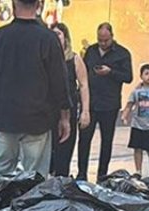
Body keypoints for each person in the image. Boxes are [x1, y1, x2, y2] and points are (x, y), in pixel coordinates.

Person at [0, 0, 71, 183]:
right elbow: (59, 83)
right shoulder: (48, 38)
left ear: (13, 5)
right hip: (38, 118)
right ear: (39, 5)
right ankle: (31, 210)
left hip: (5, 116)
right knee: (34, 177)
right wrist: (64, 117)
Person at [78, 23, 131, 181]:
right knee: (84, 139)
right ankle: (82, 173)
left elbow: (128, 77)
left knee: (107, 140)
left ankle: (102, 174)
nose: (102, 43)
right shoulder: (91, 51)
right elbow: (83, 73)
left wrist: (111, 72)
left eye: (106, 40)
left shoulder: (122, 53)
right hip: (91, 102)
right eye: (100, 40)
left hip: (110, 103)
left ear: (112, 37)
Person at [50, 23, 90, 177]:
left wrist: (85, 111)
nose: (55, 38)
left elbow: (84, 85)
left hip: (68, 108)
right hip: (48, 110)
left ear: (65, 38)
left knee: (64, 150)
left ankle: (62, 179)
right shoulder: (45, 57)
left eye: (58, 34)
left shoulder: (74, 59)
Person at [121, 64, 149, 175]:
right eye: (146, 74)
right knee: (137, 148)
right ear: (141, 76)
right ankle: (138, 170)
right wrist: (125, 116)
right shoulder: (136, 92)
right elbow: (129, 105)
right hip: (137, 124)